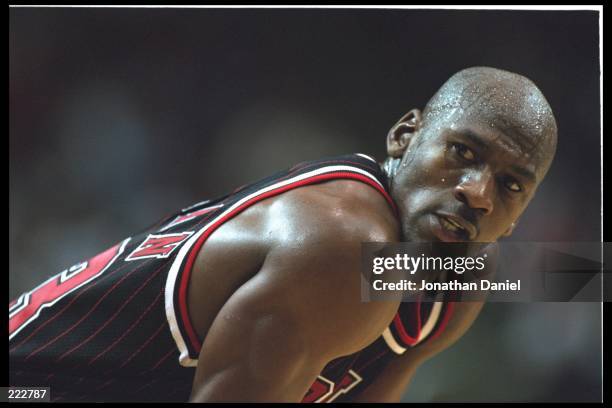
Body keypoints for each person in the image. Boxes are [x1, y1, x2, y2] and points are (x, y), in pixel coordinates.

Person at [8, 66, 558, 402]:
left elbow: (557, 273)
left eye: (511, 185)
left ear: (518, 216)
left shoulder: (456, 276)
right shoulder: (338, 246)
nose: (479, 193)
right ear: (404, 135)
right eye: (462, 152)